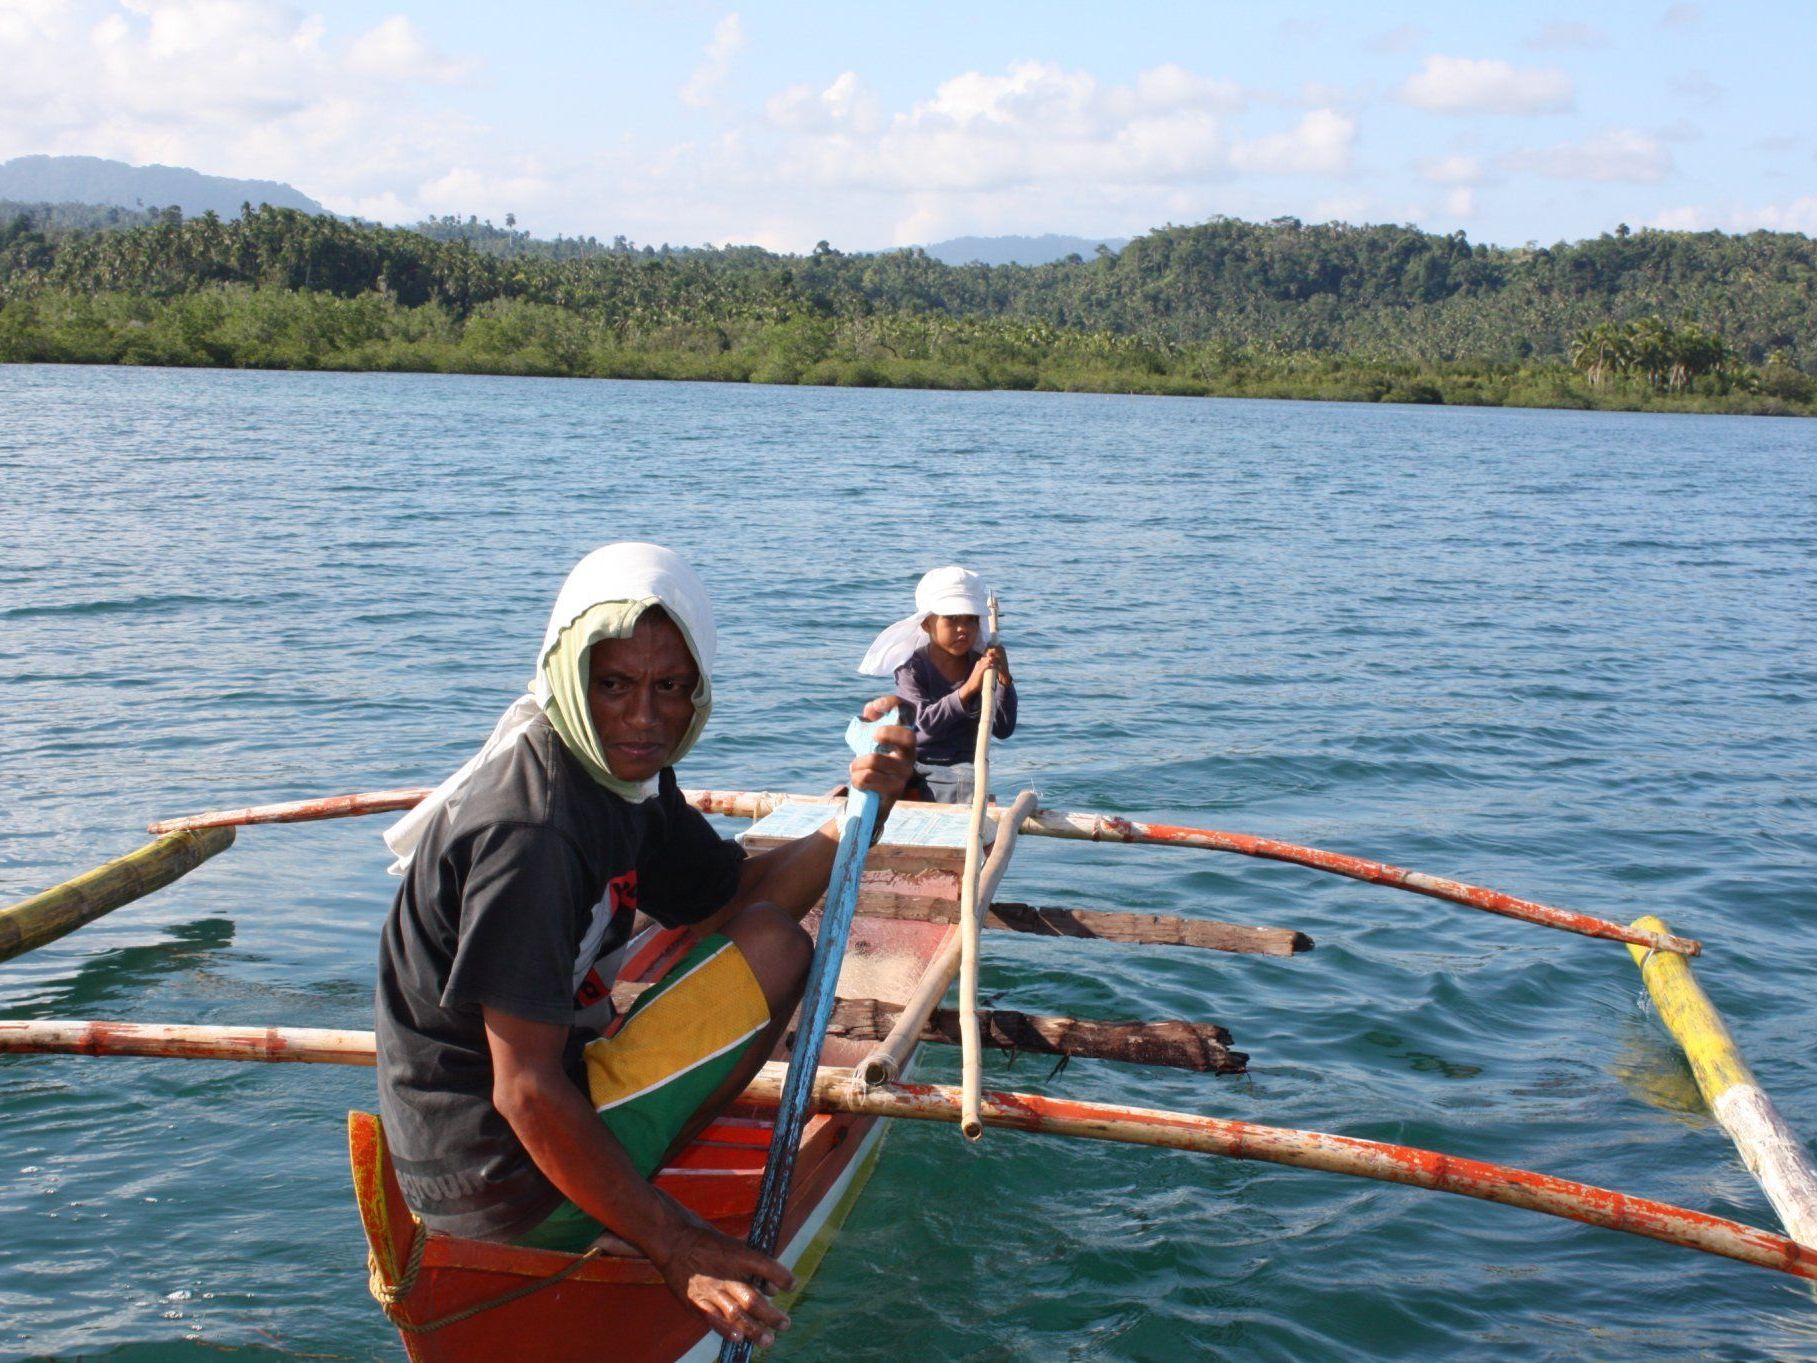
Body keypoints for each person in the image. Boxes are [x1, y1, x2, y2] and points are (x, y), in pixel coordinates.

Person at [374, 542, 915, 1352]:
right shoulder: (534, 831)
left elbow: (730, 895)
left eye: (669, 688)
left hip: (476, 1145)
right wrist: (677, 1244)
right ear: (567, 677)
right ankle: (594, 1209)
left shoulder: (620, 773)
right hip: (495, 1174)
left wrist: (857, 813)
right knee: (773, 949)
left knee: (763, 933)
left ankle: (612, 1183)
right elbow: (522, 1089)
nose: (642, 716)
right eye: (614, 684)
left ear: (697, 688)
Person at [858, 565, 1015, 805]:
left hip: (958, 766)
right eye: (951, 619)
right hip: (913, 758)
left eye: (971, 620)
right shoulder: (912, 666)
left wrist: (1004, 678)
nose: (963, 629)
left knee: (968, 781)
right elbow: (922, 727)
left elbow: (1003, 729)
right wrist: (967, 689)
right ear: (926, 624)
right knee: (871, 777)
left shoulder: (981, 664)